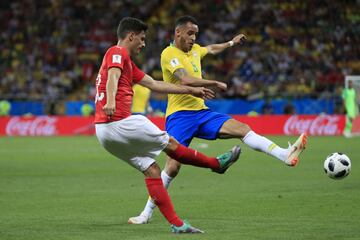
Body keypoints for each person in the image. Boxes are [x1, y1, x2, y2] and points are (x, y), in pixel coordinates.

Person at [128, 15, 308, 224]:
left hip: (202, 113)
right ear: (177, 33)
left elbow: (212, 48)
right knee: (173, 167)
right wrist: (214, 82)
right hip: (179, 117)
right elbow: (185, 78)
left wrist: (231, 43)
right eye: (189, 33)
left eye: (195, 34)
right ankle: (146, 213)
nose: (193, 38)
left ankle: (284, 154)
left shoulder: (195, 50)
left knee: (242, 128)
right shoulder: (169, 54)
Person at [94, 17, 241, 234]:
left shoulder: (128, 64)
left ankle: (178, 225)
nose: (144, 44)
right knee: (171, 144)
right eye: (142, 39)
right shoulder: (118, 52)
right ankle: (215, 164)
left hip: (105, 133)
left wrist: (191, 90)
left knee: (153, 170)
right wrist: (111, 100)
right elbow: (113, 75)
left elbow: (155, 84)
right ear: (131, 36)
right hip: (119, 122)